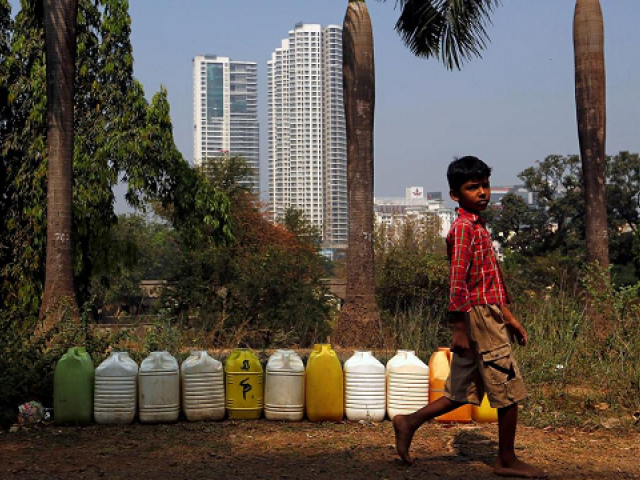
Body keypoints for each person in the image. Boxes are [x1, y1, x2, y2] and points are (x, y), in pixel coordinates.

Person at [393, 156, 547, 478]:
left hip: (489, 314)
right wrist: (459, 328)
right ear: (455, 195)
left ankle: (408, 422)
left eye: (485, 185)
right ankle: (505, 460)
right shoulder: (463, 229)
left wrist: (509, 316)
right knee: (507, 388)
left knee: (458, 393)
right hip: (477, 319)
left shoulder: (478, 225)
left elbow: (489, 279)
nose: (482, 192)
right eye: (472, 187)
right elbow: (457, 280)